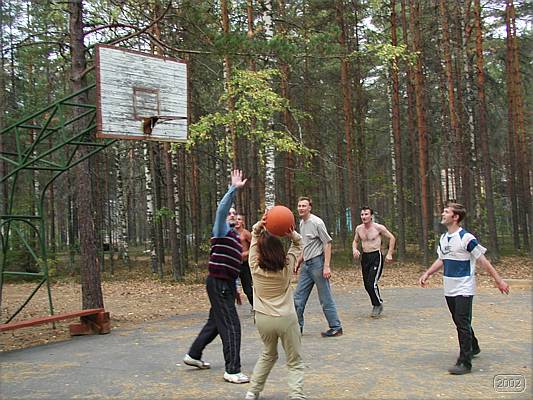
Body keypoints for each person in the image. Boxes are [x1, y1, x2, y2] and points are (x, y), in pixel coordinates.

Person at [419, 202, 509, 375]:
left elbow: (482, 261)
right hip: (449, 287)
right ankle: (473, 346)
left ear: (455, 217)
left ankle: (464, 362)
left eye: (446, 212)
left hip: (464, 288)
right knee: (460, 321)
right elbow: (442, 259)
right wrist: (427, 273)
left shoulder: (466, 238)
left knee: (461, 322)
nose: (442, 214)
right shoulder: (444, 238)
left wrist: (499, 281)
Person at [183, 169, 250, 384]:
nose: (231, 215)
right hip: (218, 283)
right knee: (231, 325)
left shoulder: (234, 238)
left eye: (234, 213)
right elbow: (222, 209)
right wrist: (233, 189)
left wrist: (235, 289)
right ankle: (232, 370)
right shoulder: (221, 230)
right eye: (229, 213)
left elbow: (232, 266)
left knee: (215, 322)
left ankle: (194, 354)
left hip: (225, 284)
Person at [244, 213, 305, 400]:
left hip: (263, 319)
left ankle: (252, 392)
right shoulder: (287, 266)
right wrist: (292, 234)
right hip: (286, 319)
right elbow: (299, 244)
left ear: (260, 252)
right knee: (294, 361)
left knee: (268, 354)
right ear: (279, 250)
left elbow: (254, 239)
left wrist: (258, 227)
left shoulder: (254, 266)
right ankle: (296, 395)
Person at [293, 196, 343, 337]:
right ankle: (296, 328)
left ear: (310, 207)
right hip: (306, 265)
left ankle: (336, 327)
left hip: (317, 264)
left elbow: (327, 243)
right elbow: (306, 244)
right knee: (298, 298)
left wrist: (326, 266)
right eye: (299, 206)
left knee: (325, 298)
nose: (301, 208)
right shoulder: (302, 223)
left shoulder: (317, 222)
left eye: (304, 206)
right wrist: (299, 260)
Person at [352, 206, 396, 317]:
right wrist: (354, 249)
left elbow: (392, 238)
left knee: (372, 283)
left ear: (371, 216)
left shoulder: (378, 227)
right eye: (362, 214)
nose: (364, 217)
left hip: (376, 256)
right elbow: (355, 241)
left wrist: (389, 253)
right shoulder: (359, 229)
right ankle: (376, 303)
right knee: (367, 285)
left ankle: (377, 304)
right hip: (365, 257)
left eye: (366, 214)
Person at [235, 213, 253, 307]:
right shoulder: (230, 233)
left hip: (244, 265)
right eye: (236, 219)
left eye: (239, 219)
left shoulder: (246, 233)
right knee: (229, 289)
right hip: (233, 265)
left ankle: (255, 307)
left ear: (242, 222)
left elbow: (255, 247)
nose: (237, 221)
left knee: (248, 290)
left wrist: (244, 254)